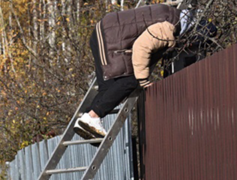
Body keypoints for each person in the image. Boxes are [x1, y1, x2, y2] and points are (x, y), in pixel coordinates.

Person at [74, 3, 195, 139]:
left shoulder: (171, 13)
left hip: (104, 32)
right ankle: (93, 116)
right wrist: (143, 80)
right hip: (110, 38)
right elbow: (141, 47)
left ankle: (87, 119)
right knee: (130, 81)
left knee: (110, 85)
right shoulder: (168, 28)